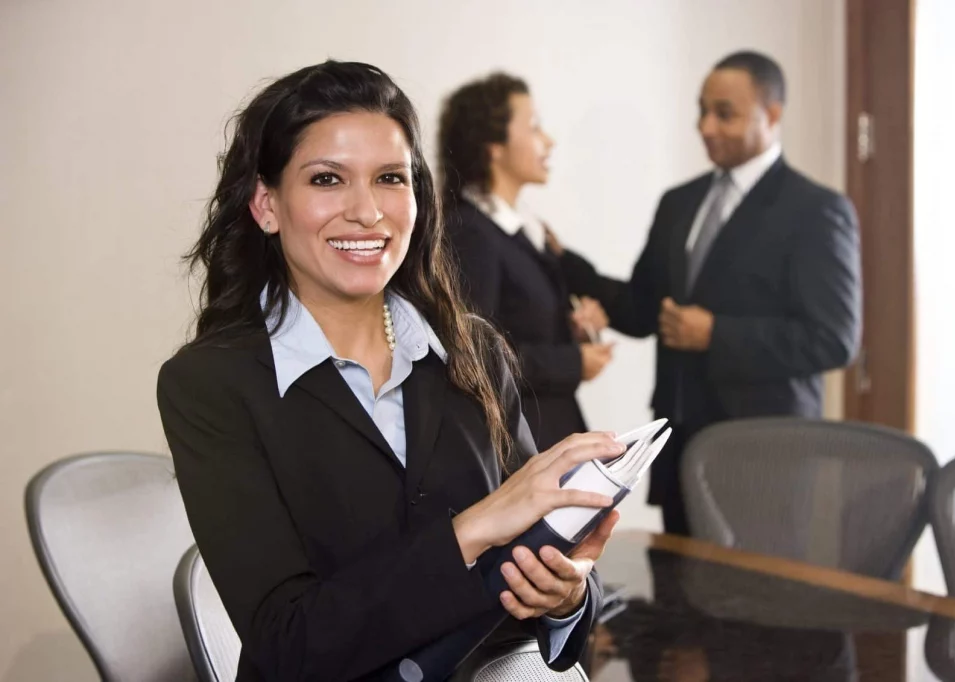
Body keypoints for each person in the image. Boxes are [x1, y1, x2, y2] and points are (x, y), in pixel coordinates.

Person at [156, 60, 621, 681]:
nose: (367, 212)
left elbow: (530, 579)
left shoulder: (474, 352)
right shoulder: (211, 384)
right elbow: (288, 645)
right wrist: (477, 528)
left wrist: (564, 598)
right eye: (327, 179)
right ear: (266, 205)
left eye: (390, 179)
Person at [549, 51, 862, 535]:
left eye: (725, 113)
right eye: (702, 111)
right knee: (680, 599)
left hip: (767, 457)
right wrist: (563, 265)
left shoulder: (817, 210)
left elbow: (835, 338)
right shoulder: (680, 203)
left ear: (772, 114)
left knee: (755, 604)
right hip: (680, 444)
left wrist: (717, 334)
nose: (706, 126)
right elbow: (643, 307)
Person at [437, 73, 612, 451]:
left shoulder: (523, 231)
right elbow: (472, 353)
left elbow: (517, 327)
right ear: (492, 146)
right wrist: (571, 362)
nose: (548, 140)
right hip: (518, 448)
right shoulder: (469, 233)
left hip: (548, 433)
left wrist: (574, 330)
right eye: (533, 127)